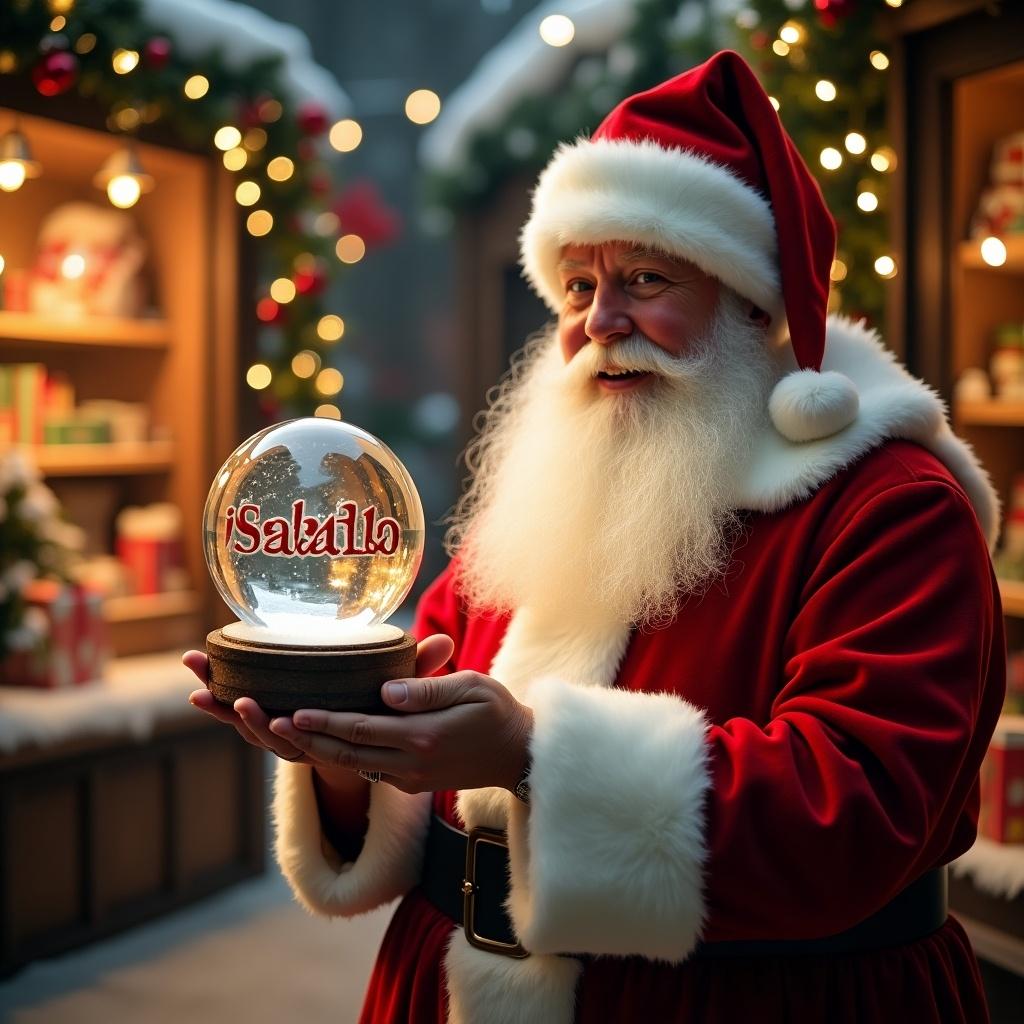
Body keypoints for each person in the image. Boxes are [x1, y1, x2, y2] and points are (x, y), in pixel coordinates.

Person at [184, 50, 1005, 1024]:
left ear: (752, 304)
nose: (600, 321)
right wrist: (342, 752)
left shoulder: (885, 507)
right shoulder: (553, 490)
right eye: (575, 286)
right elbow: (436, 753)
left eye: (644, 277)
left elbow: (856, 808)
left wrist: (534, 754)